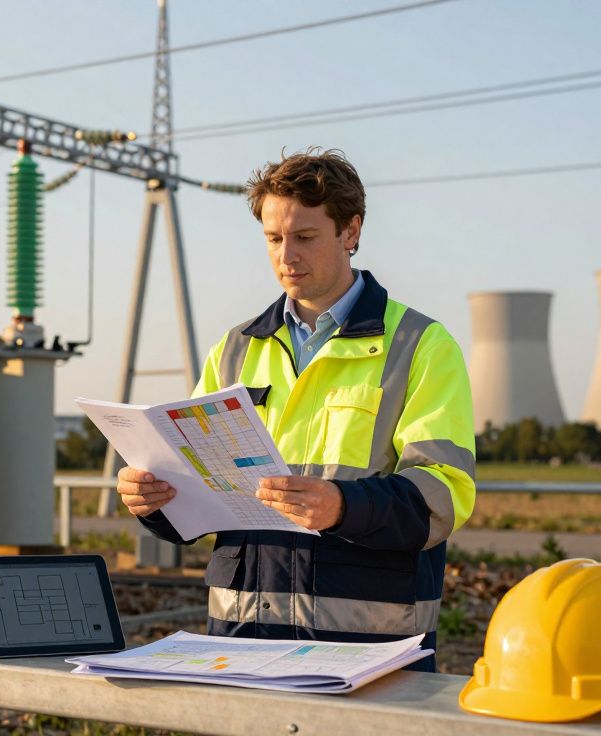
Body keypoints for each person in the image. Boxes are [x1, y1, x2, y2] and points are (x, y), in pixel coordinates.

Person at [117, 148, 476, 672]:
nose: (287, 256)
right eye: (273, 238)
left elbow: (444, 495)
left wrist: (341, 506)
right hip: (241, 637)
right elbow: (196, 492)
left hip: (367, 650)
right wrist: (154, 500)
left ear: (350, 232)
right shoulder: (234, 348)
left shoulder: (421, 345)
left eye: (305, 237)